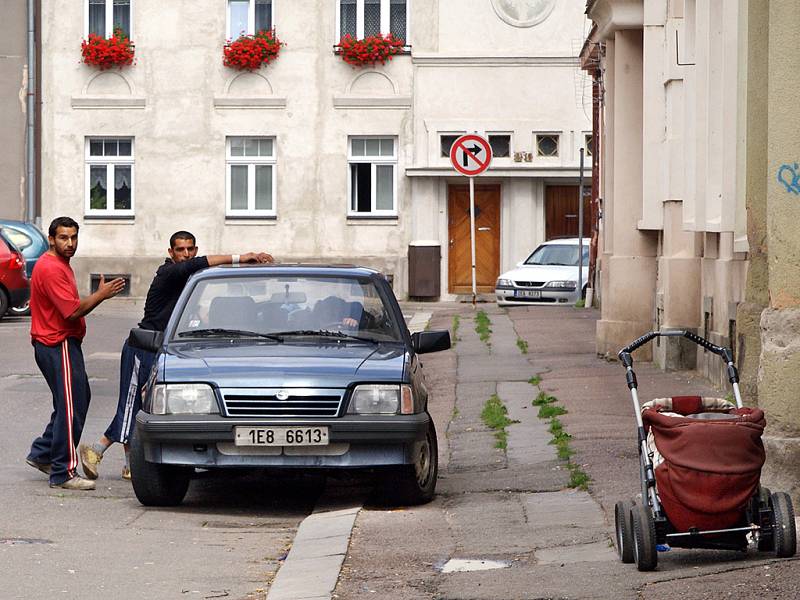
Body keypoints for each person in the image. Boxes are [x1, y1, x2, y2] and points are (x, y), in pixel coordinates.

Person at [79, 230, 273, 480]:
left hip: (162, 350)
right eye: (180, 250)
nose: (186, 254)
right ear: (171, 253)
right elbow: (196, 264)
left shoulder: (190, 281)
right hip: (143, 347)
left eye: (190, 249)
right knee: (130, 408)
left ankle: (126, 464)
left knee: (143, 408)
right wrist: (242, 257)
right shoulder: (169, 272)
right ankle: (97, 451)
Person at [25, 216, 126, 491]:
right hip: (58, 344)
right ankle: (62, 472)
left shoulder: (59, 263)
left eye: (73, 238)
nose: (70, 243)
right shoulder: (51, 268)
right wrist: (101, 294)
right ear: (51, 239)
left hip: (59, 343)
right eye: (63, 238)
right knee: (71, 407)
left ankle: (42, 453)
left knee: (73, 401)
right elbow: (72, 311)